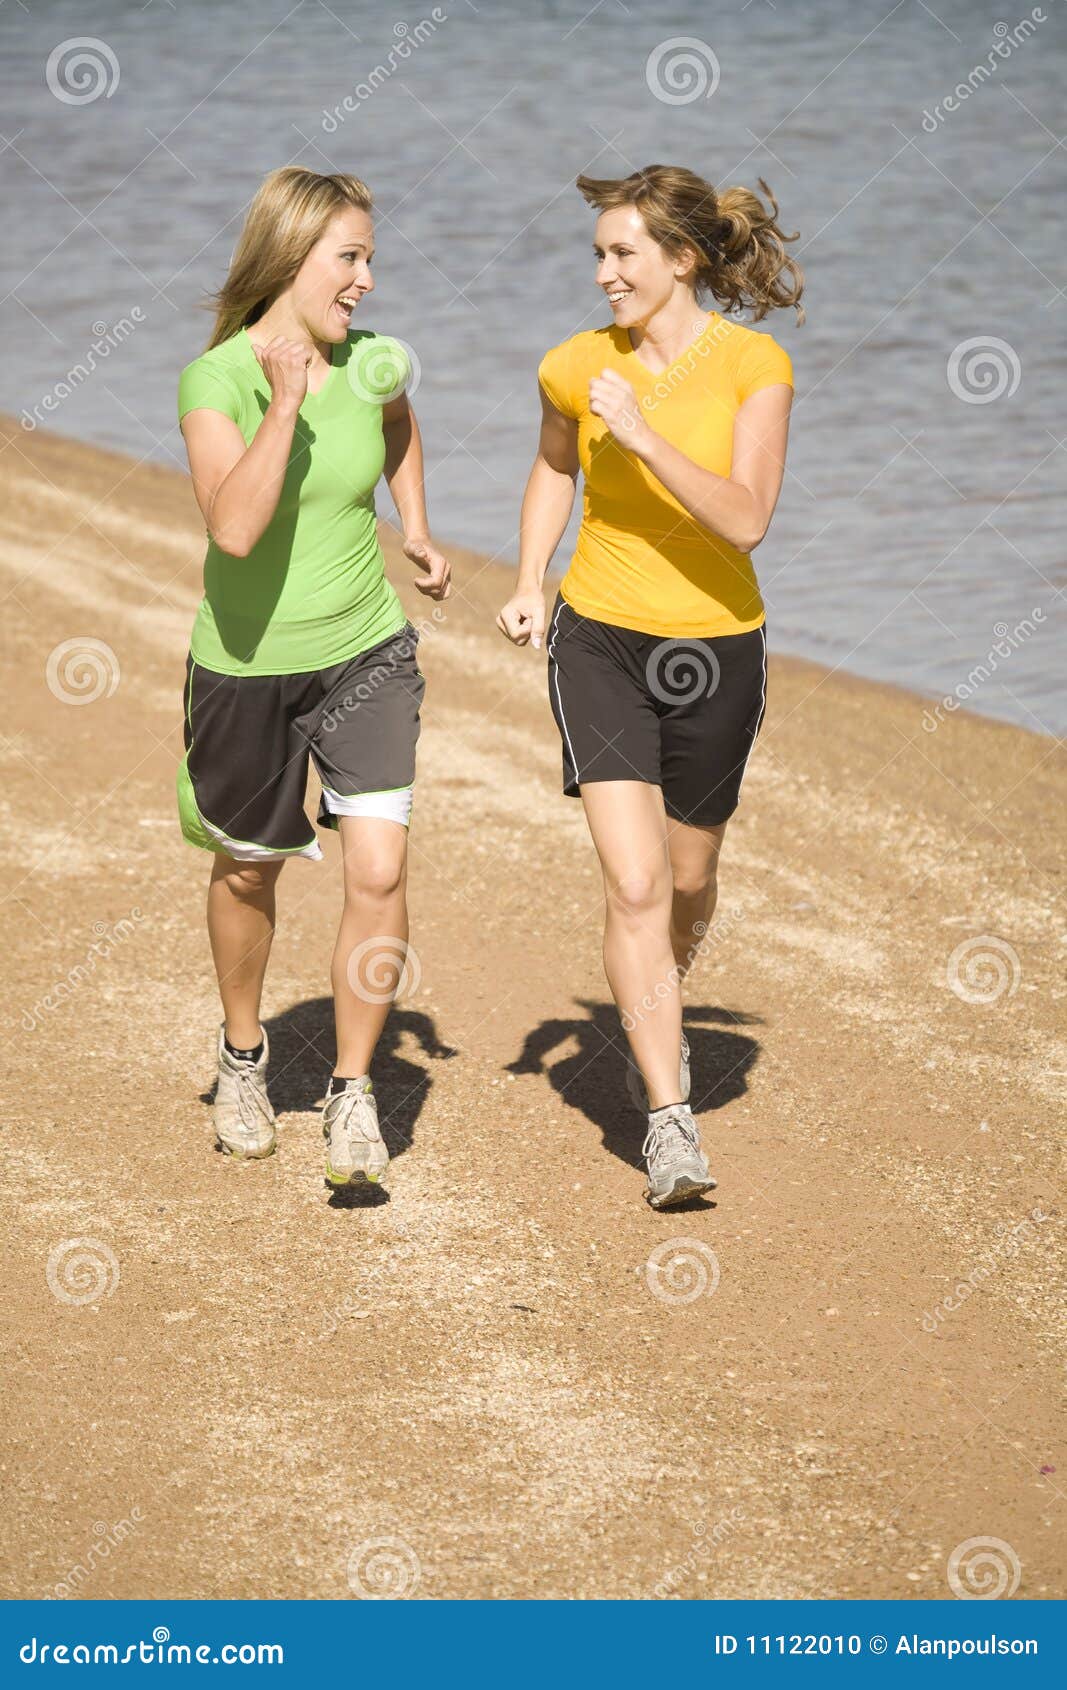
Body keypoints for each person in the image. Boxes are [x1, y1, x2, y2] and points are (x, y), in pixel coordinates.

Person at [498, 165, 803, 1208]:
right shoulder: (573, 366)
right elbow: (552, 468)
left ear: (680, 260)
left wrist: (641, 434)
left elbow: (745, 516)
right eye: (595, 254)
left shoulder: (754, 364)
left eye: (620, 254)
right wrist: (532, 578)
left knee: (682, 884)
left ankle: (650, 1006)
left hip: (718, 648)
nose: (601, 275)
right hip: (599, 642)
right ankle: (667, 1122)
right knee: (630, 884)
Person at [176, 166, 451, 1187]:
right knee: (249, 868)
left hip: (367, 652)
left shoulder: (375, 364)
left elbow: (397, 426)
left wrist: (414, 526)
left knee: (377, 867)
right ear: (292, 258)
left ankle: (350, 1089)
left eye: (369, 258)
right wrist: (285, 408)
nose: (367, 280)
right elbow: (235, 528)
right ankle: (244, 1056)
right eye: (349, 258)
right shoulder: (217, 383)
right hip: (245, 669)